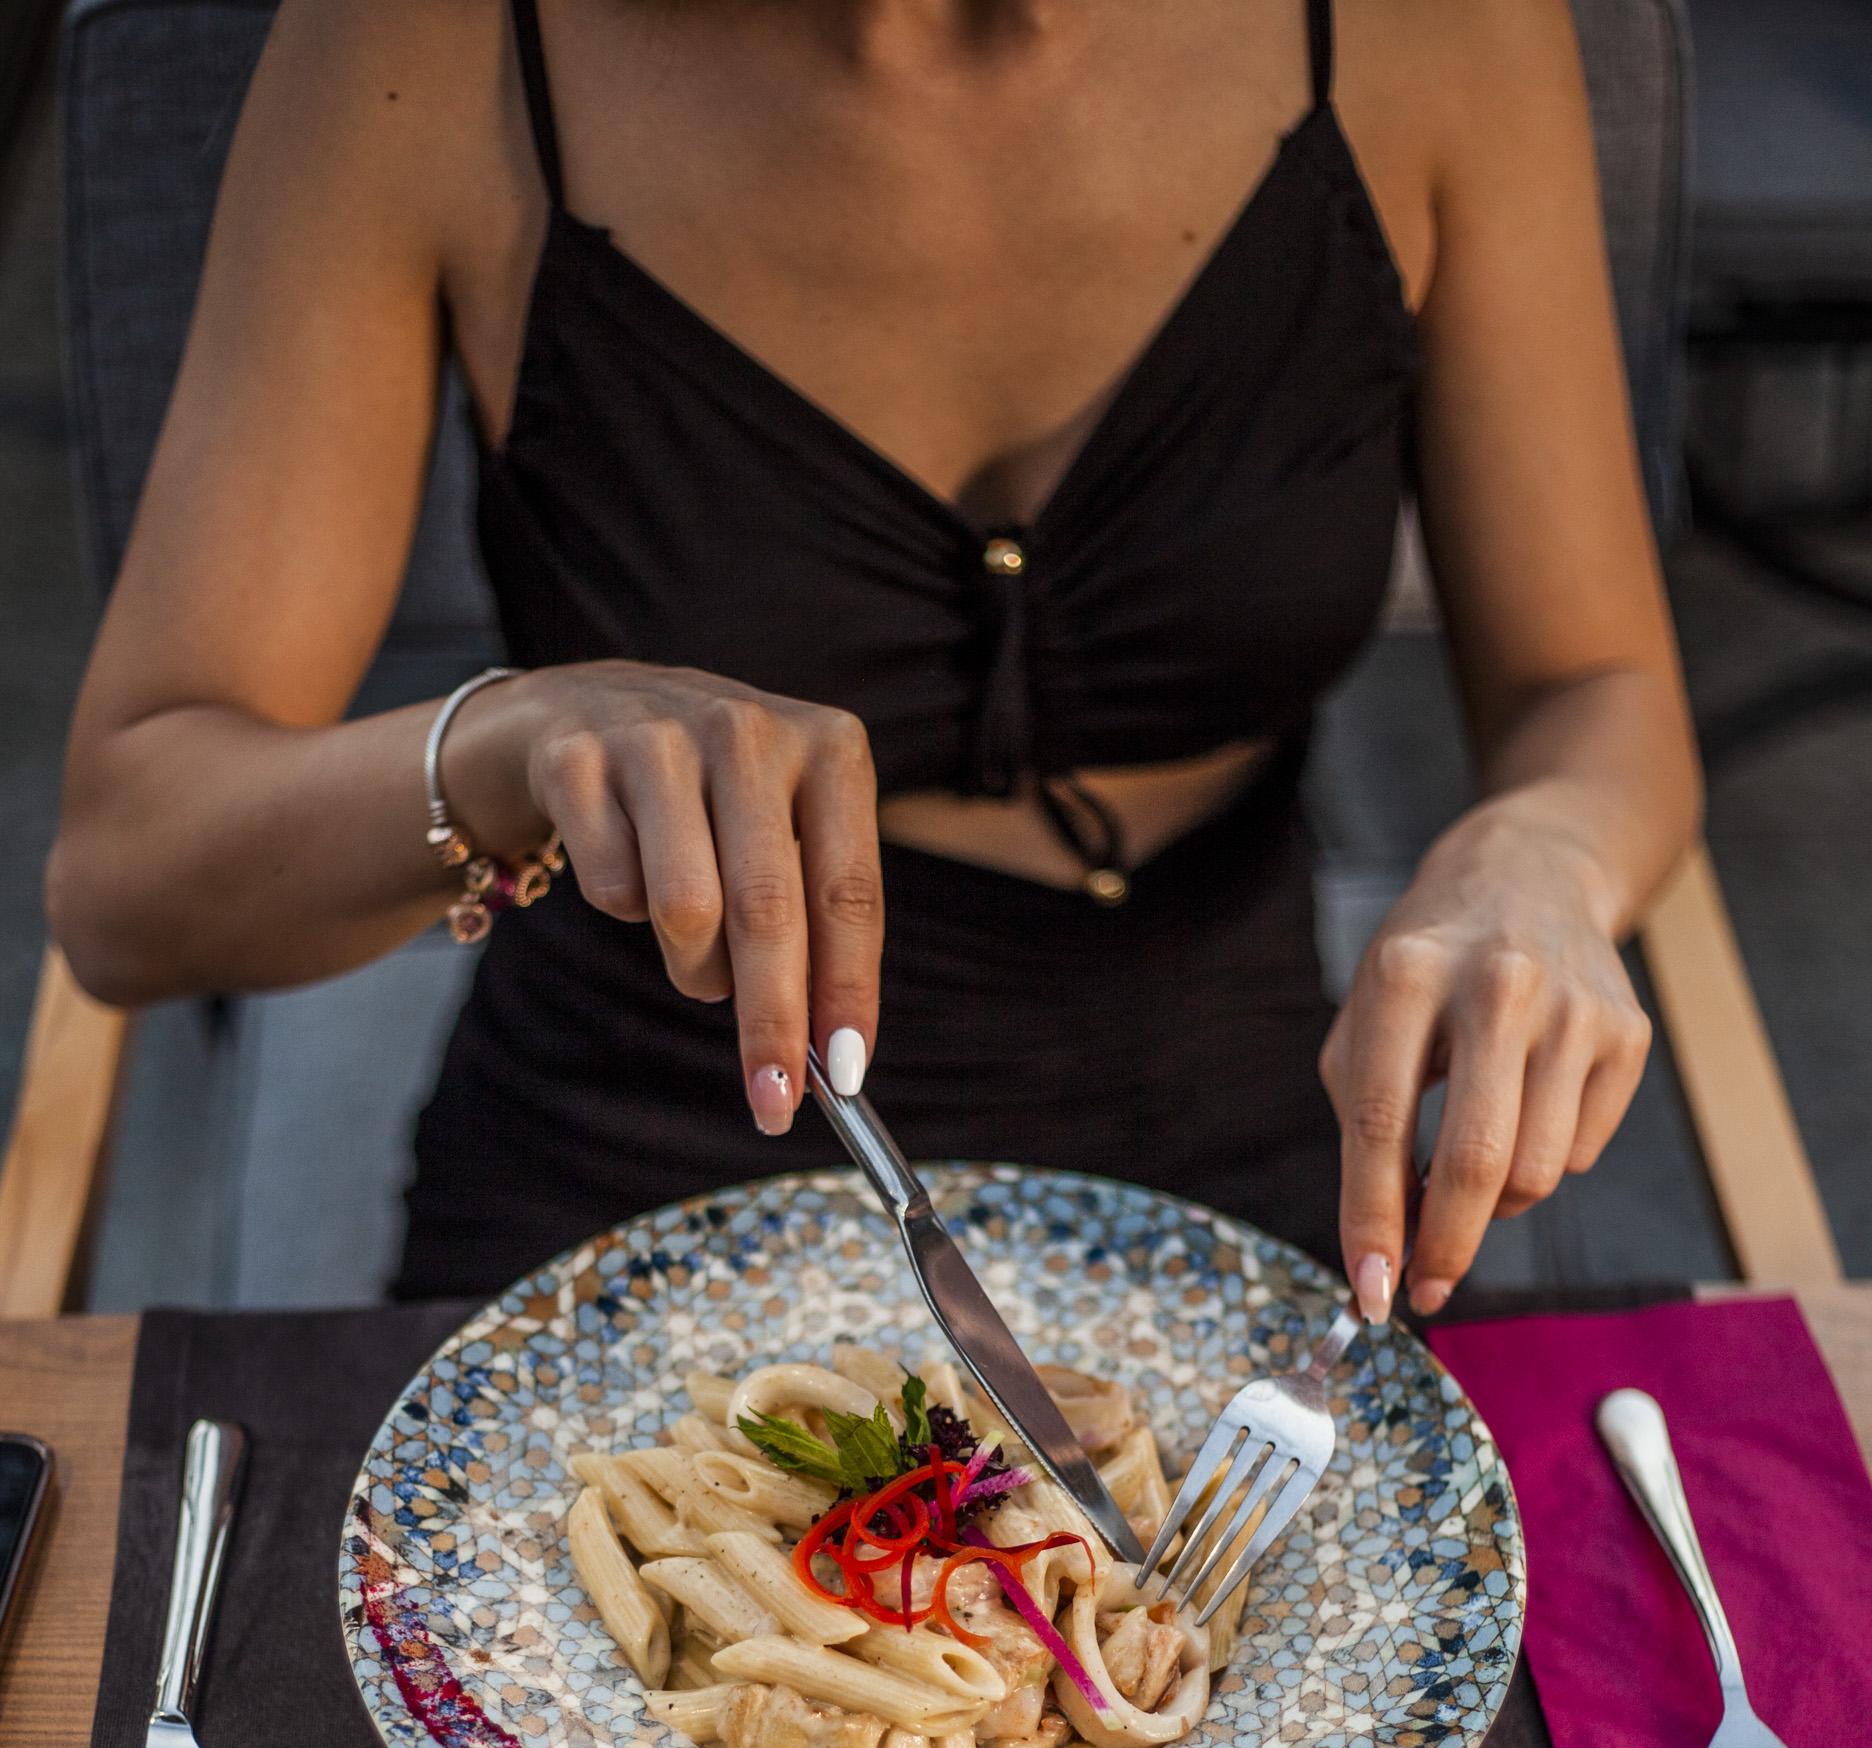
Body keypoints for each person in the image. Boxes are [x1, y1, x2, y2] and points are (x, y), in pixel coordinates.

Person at [46, 0, 1697, 1315]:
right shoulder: (432, 47)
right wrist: (512, 744)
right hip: (629, 1190)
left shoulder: (1440, 26)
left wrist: (1539, 852)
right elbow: (126, 883)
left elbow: (1596, 693)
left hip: (1268, 1192)